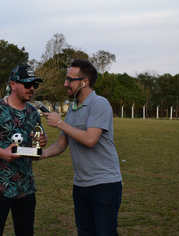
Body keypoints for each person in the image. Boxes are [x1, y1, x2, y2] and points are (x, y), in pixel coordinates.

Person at [40, 59, 122, 236]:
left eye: (69, 80)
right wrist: (41, 154)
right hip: (80, 185)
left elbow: (91, 139)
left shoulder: (99, 104)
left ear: (84, 82)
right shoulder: (72, 109)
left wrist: (60, 122)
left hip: (104, 184)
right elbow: (61, 144)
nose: (65, 84)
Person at [0, 65, 48, 236]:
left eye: (35, 85)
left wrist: (41, 142)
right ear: (13, 84)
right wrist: (2, 152)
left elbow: (35, 147)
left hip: (26, 187)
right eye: (28, 85)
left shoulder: (33, 113)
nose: (32, 89)